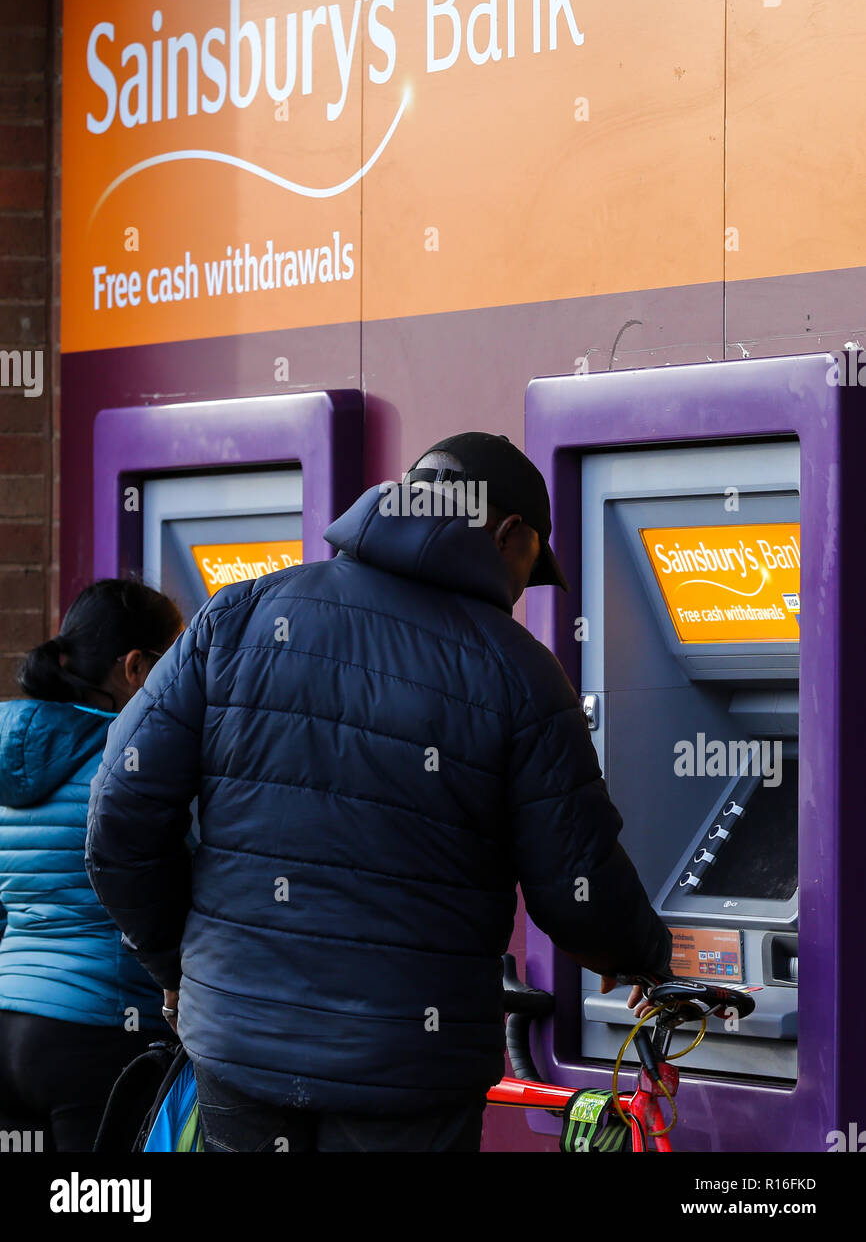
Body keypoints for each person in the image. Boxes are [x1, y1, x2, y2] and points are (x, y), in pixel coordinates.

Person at [86, 433, 671, 1154]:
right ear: (508, 533)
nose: (523, 587)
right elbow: (575, 882)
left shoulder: (234, 620)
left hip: (242, 1047)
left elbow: (118, 815)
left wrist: (177, 963)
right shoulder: (518, 670)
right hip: (410, 1068)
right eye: (531, 565)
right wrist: (645, 954)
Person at [0, 578, 183, 1152]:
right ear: (134, 668)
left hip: (9, 1017)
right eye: (174, 659)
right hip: (99, 1028)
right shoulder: (132, 758)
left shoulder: (8, 753)